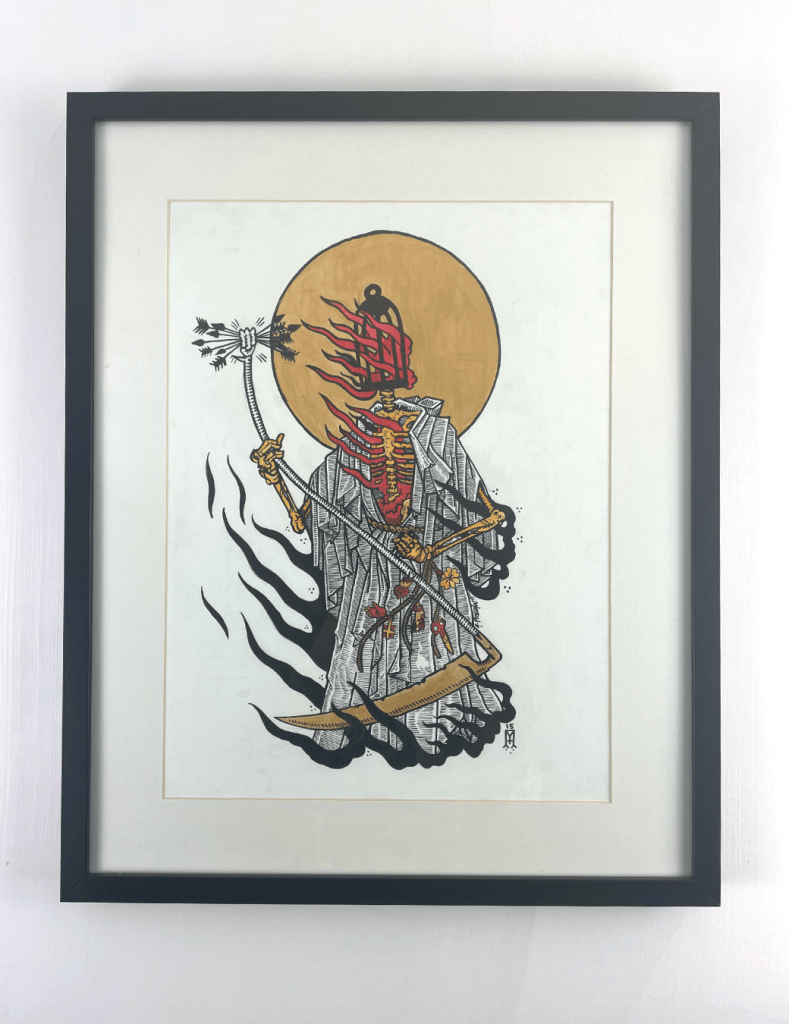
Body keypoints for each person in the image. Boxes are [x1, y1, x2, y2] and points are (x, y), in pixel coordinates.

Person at [252, 285, 506, 755]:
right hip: (371, 581)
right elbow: (307, 522)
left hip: (433, 576)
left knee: (434, 669)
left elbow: (489, 517)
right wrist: (276, 477)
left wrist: (430, 549)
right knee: (360, 662)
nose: (382, 381)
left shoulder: (437, 436)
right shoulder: (349, 445)